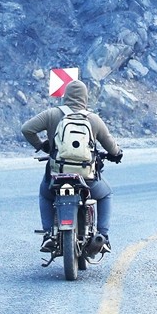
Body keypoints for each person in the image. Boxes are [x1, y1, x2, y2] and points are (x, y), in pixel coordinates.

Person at [21, 79, 122, 253]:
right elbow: (111, 146)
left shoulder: (52, 114)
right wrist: (116, 154)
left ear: (65, 96)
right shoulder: (93, 119)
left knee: (45, 194)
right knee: (106, 194)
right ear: (85, 98)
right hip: (86, 178)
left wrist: (42, 145)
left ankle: (48, 234)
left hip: (57, 176)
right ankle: (103, 236)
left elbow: (27, 129)